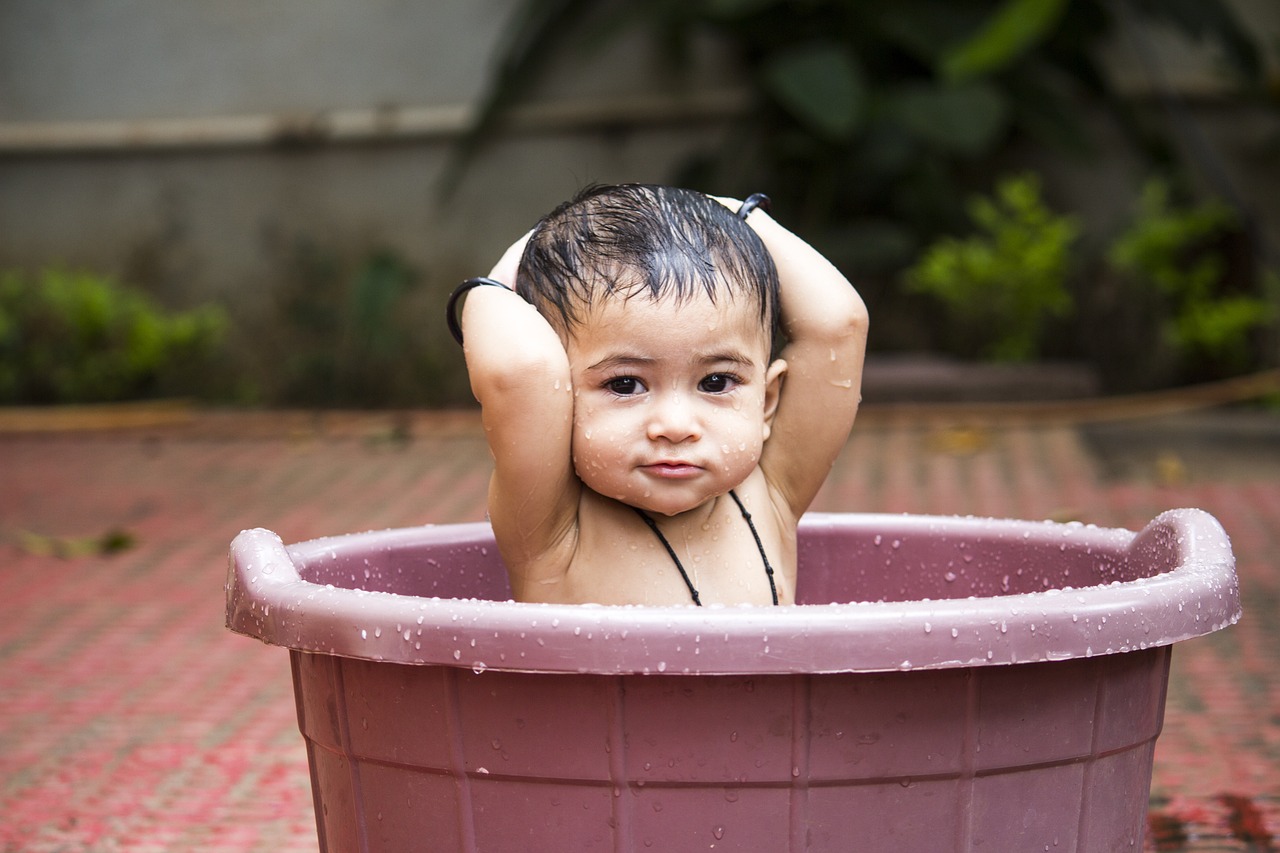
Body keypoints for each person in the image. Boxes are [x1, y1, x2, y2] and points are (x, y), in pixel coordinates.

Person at [449, 184, 867, 606]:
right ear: (562, 403)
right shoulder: (552, 526)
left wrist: (736, 214)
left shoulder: (771, 494)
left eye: (716, 382)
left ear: (767, 402)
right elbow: (522, 370)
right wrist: (504, 277)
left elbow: (840, 325)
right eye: (625, 384)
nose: (675, 426)